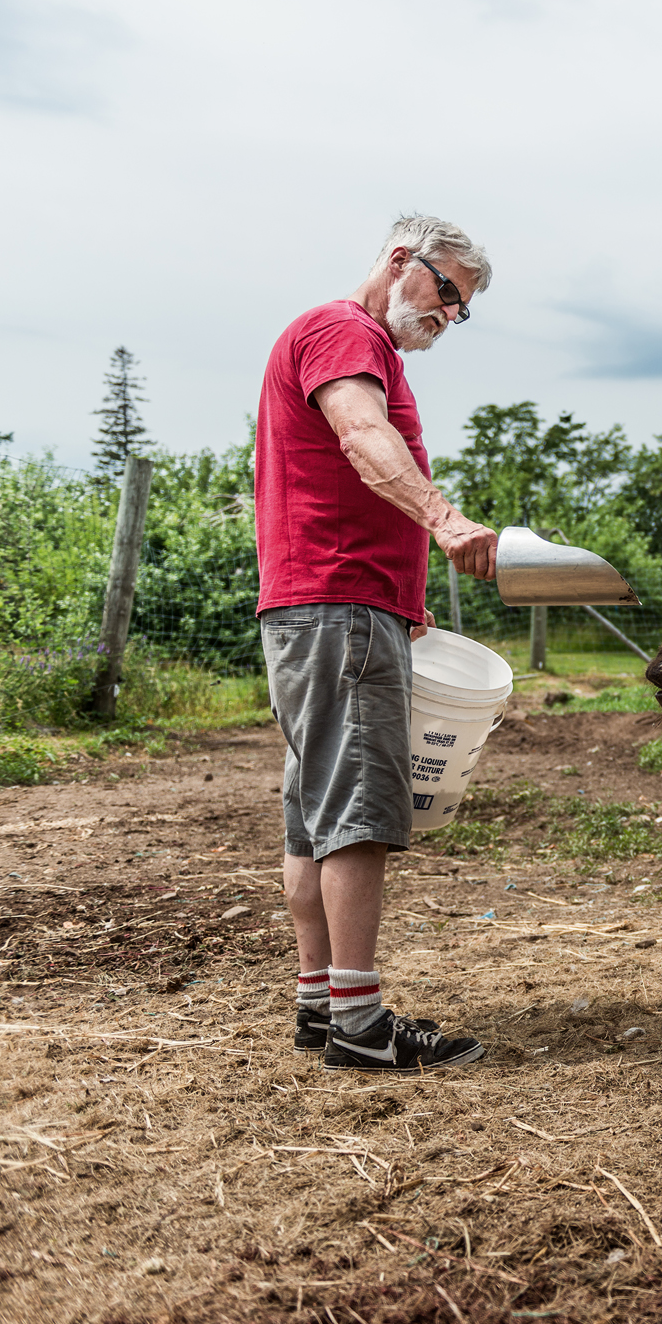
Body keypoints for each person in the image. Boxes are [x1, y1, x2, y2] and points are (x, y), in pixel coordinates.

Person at [255, 215, 500, 1070]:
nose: (449, 316)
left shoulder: (358, 341)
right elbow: (363, 436)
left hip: (324, 610)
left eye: (462, 310)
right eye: (446, 292)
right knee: (356, 815)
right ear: (402, 261)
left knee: (314, 813)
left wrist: (407, 598)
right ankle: (360, 1027)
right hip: (339, 608)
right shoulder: (342, 332)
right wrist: (444, 517)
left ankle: (321, 1005)